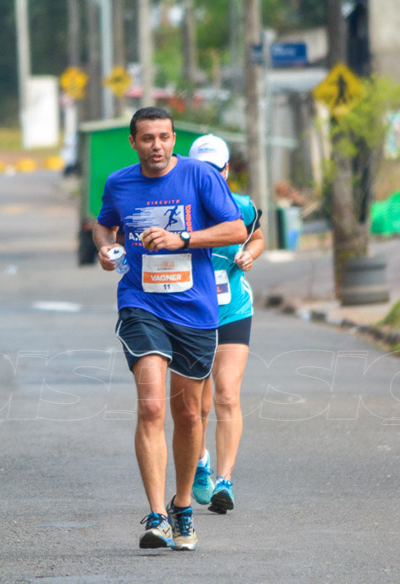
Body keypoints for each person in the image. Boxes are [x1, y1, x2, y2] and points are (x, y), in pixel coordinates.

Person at [94, 107, 246, 551]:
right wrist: (106, 250)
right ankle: (156, 514)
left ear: (174, 138)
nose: (156, 146)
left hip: (195, 310)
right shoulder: (120, 183)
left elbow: (235, 228)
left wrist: (183, 240)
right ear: (133, 142)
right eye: (147, 138)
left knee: (187, 413)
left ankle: (182, 507)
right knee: (152, 409)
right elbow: (105, 226)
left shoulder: (200, 176)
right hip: (141, 304)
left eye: (163, 137)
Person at [187, 135, 263, 515]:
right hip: (191, 314)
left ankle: (225, 480)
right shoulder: (181, 209)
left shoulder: (241, 206)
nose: (211, 177)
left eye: (216, 170)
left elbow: (258, 237)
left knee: (227, 394)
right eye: (202, 171)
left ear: (226, 170)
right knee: (196, 403)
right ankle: (200, 461)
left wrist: (249, 254)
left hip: (234, 310)